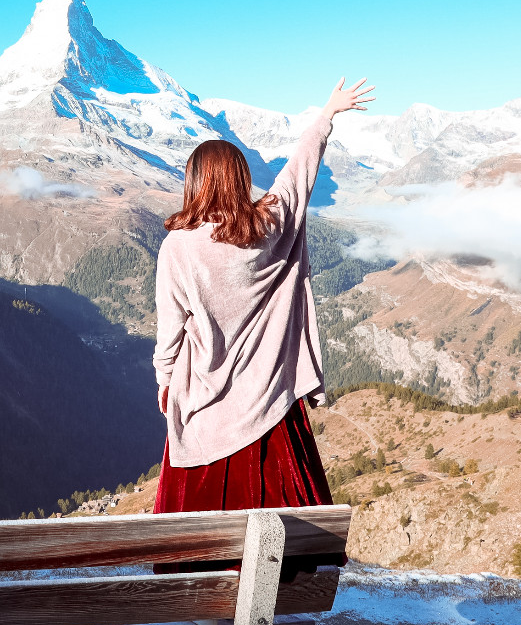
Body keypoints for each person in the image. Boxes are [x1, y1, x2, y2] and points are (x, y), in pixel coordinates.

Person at [151, 73, 375, 570]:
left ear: (193, 183)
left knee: (196, 545)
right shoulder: (271, 227)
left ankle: (202, 599)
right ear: (240, 178)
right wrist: (327, 115)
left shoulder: (177, 249)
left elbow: (170, 334)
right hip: (270, 403)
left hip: (204, 409)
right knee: (284, 545)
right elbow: (298, 176)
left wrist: (166, 382)